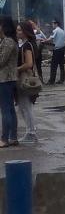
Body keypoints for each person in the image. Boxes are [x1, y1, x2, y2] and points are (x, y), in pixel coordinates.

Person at [16, 21, 39, 143]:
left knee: (26, 106)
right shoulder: (25, 44)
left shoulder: (27, 46)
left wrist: (16, 69)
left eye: (20, 30)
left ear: (25, 32)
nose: (17, 32)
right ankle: (30, 130)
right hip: (23, 78)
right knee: (22, 107)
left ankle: (31, 132)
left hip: (25, 79)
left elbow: (29, 64)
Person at [0, 16, 19, 147]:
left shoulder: (7, 42)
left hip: (5, 79)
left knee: (6, 110)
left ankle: (4, 139)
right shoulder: (9, 41)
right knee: (10, 109)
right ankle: (12, 137)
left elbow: (1, 61)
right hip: (9, 79)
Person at [45, 18, 65, 85]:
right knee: (61, 65)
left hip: (57, 50)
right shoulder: (62, 31)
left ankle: (51, 80)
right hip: (62, 49)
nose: (52, 25)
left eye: (53, 24)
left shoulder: (55, 31)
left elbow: (50, 38)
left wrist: (44, 40)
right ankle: (62, 79)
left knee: (53, 65)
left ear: (56, 24)